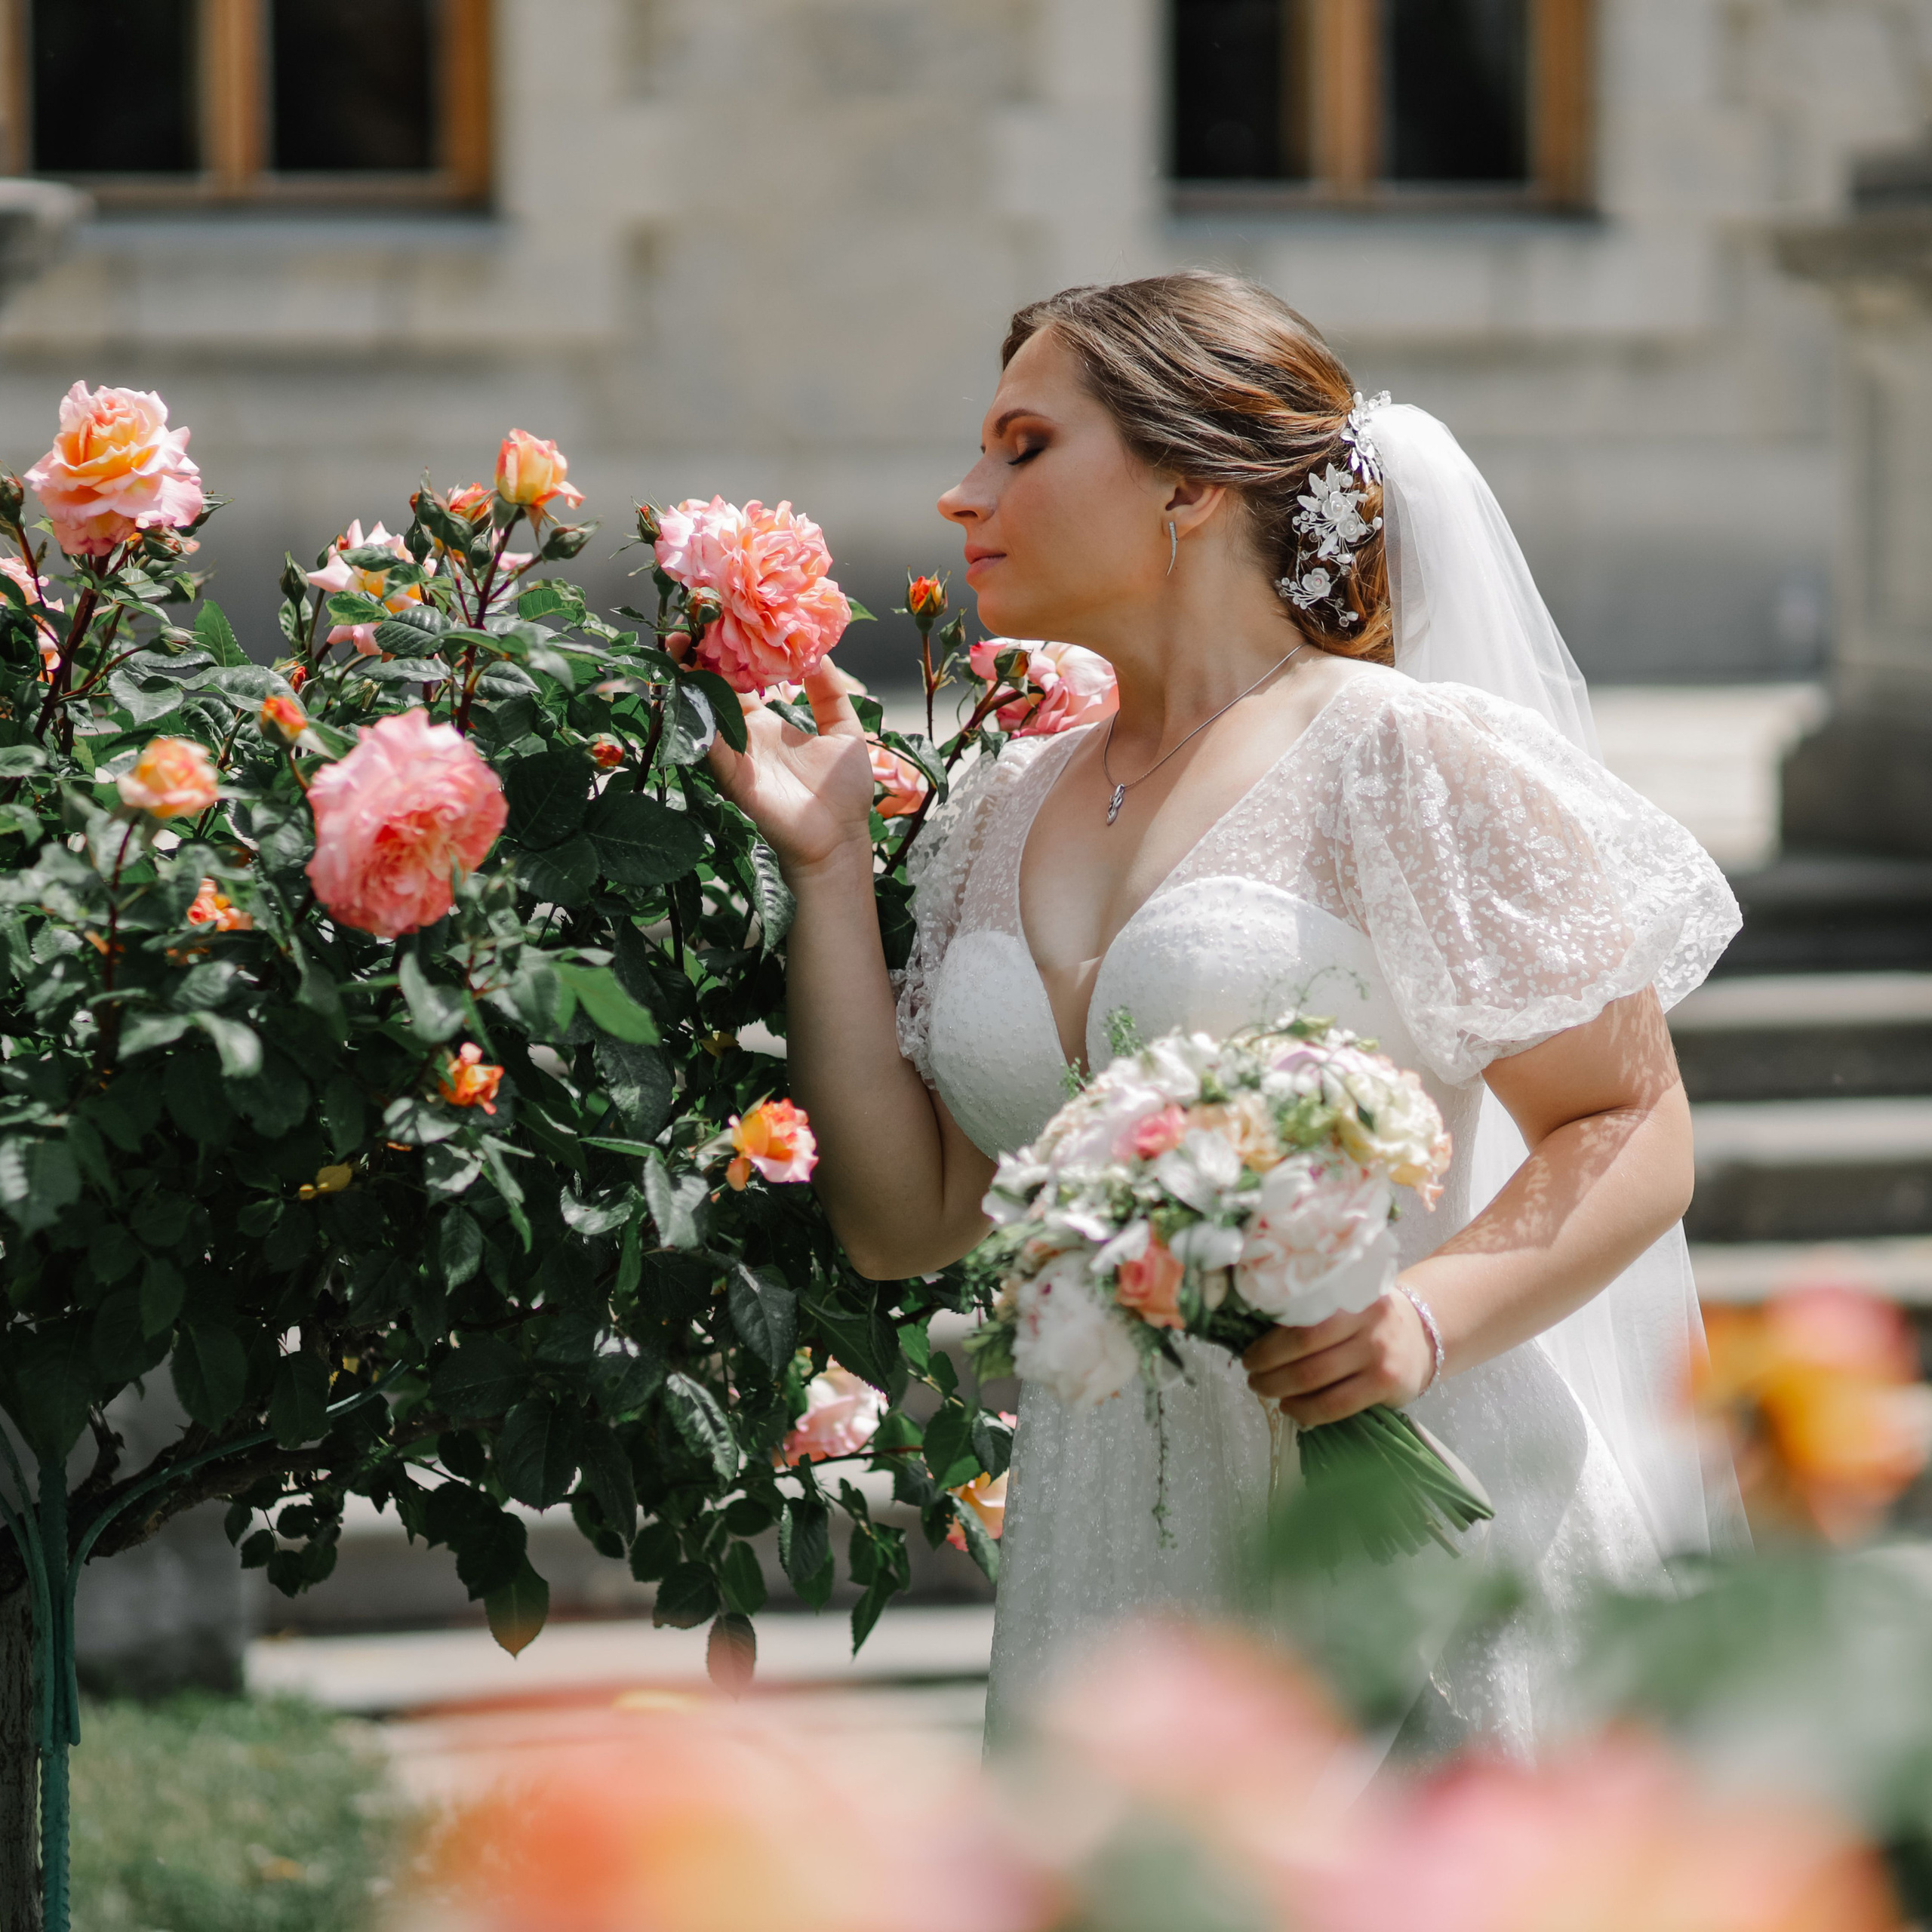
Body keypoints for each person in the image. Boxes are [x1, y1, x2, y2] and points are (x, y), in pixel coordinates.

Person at [709, 272, 1743, 1756]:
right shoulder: (996, 809)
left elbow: (1628, 1120)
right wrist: (824, 863)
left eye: (1020, 444)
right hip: (1113, 1566)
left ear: (1189, 481)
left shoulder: (1400, 756)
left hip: (1410, 1524)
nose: (960, 493)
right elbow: (905, 1220)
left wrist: (1421, 1320)